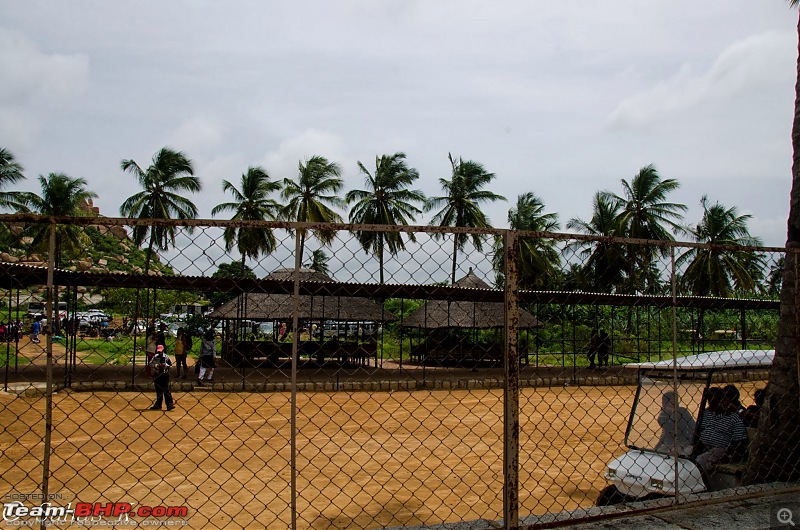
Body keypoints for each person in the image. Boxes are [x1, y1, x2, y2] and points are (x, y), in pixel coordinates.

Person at [693, 385, 748, 475]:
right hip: (703, 446)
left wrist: (728, 456)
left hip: (721, 448)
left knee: (700, 461)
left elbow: (740, 442)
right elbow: (700, 432)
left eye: (716, 401)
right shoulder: (707, 414)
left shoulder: (733, 418)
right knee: (684, 453)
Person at [656, 390, 696, 454]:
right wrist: (674, 413)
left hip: (684, 442)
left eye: (677, 402)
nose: (676, 404)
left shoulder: (683, 411)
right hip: (668, 443)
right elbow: (669, 428)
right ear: (664, 404)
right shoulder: (662, 416)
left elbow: (693, 425)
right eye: (673, 403)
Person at [149, 344, 174, 411]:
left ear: (163, 350)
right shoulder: (155, 357)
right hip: (157, 374)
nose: (159, 353)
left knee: (166, 389)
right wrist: (156, 365)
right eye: (158, 351)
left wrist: (165, 365)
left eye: (160, 351)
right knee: (158, 390)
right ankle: (158, 405)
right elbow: (150, 363)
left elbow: (171, 365)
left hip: (165, 374)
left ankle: (169, 405)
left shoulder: (166, 357)